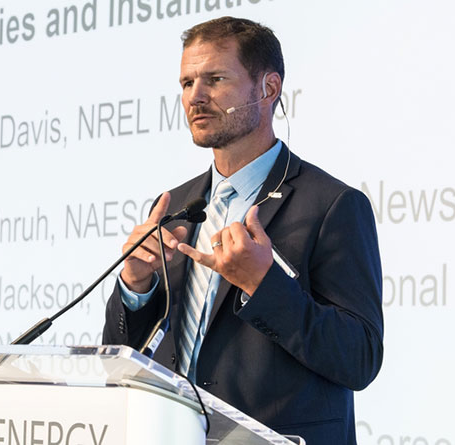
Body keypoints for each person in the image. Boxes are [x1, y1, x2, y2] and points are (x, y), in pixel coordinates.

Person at [102, 16, 383, 444]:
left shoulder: (331, 205)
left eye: (215, 78)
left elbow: (360, 357)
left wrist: (263, 284)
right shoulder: (175, 207)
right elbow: (127, 354)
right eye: (186, 82)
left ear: (268, 89)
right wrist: (135, 287)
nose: (195, 96)